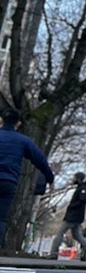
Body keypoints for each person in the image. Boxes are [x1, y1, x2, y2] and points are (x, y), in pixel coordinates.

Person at [0, 107, 55, 250]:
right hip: (8, 182)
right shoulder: (23, 141)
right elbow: (40, 160)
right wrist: (50, 178)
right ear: (18, 124)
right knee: (1, 217)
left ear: (1, 121)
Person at [50, 172, 86, 259]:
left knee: (60, 233)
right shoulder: (82, 187)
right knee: (76, 235)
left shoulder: (83, 188)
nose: (73, 179)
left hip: (72, 216)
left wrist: (71, 206)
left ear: (78, 179)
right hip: (77, 216)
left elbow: (82, 199)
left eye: (74, 178)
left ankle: (53, 253)